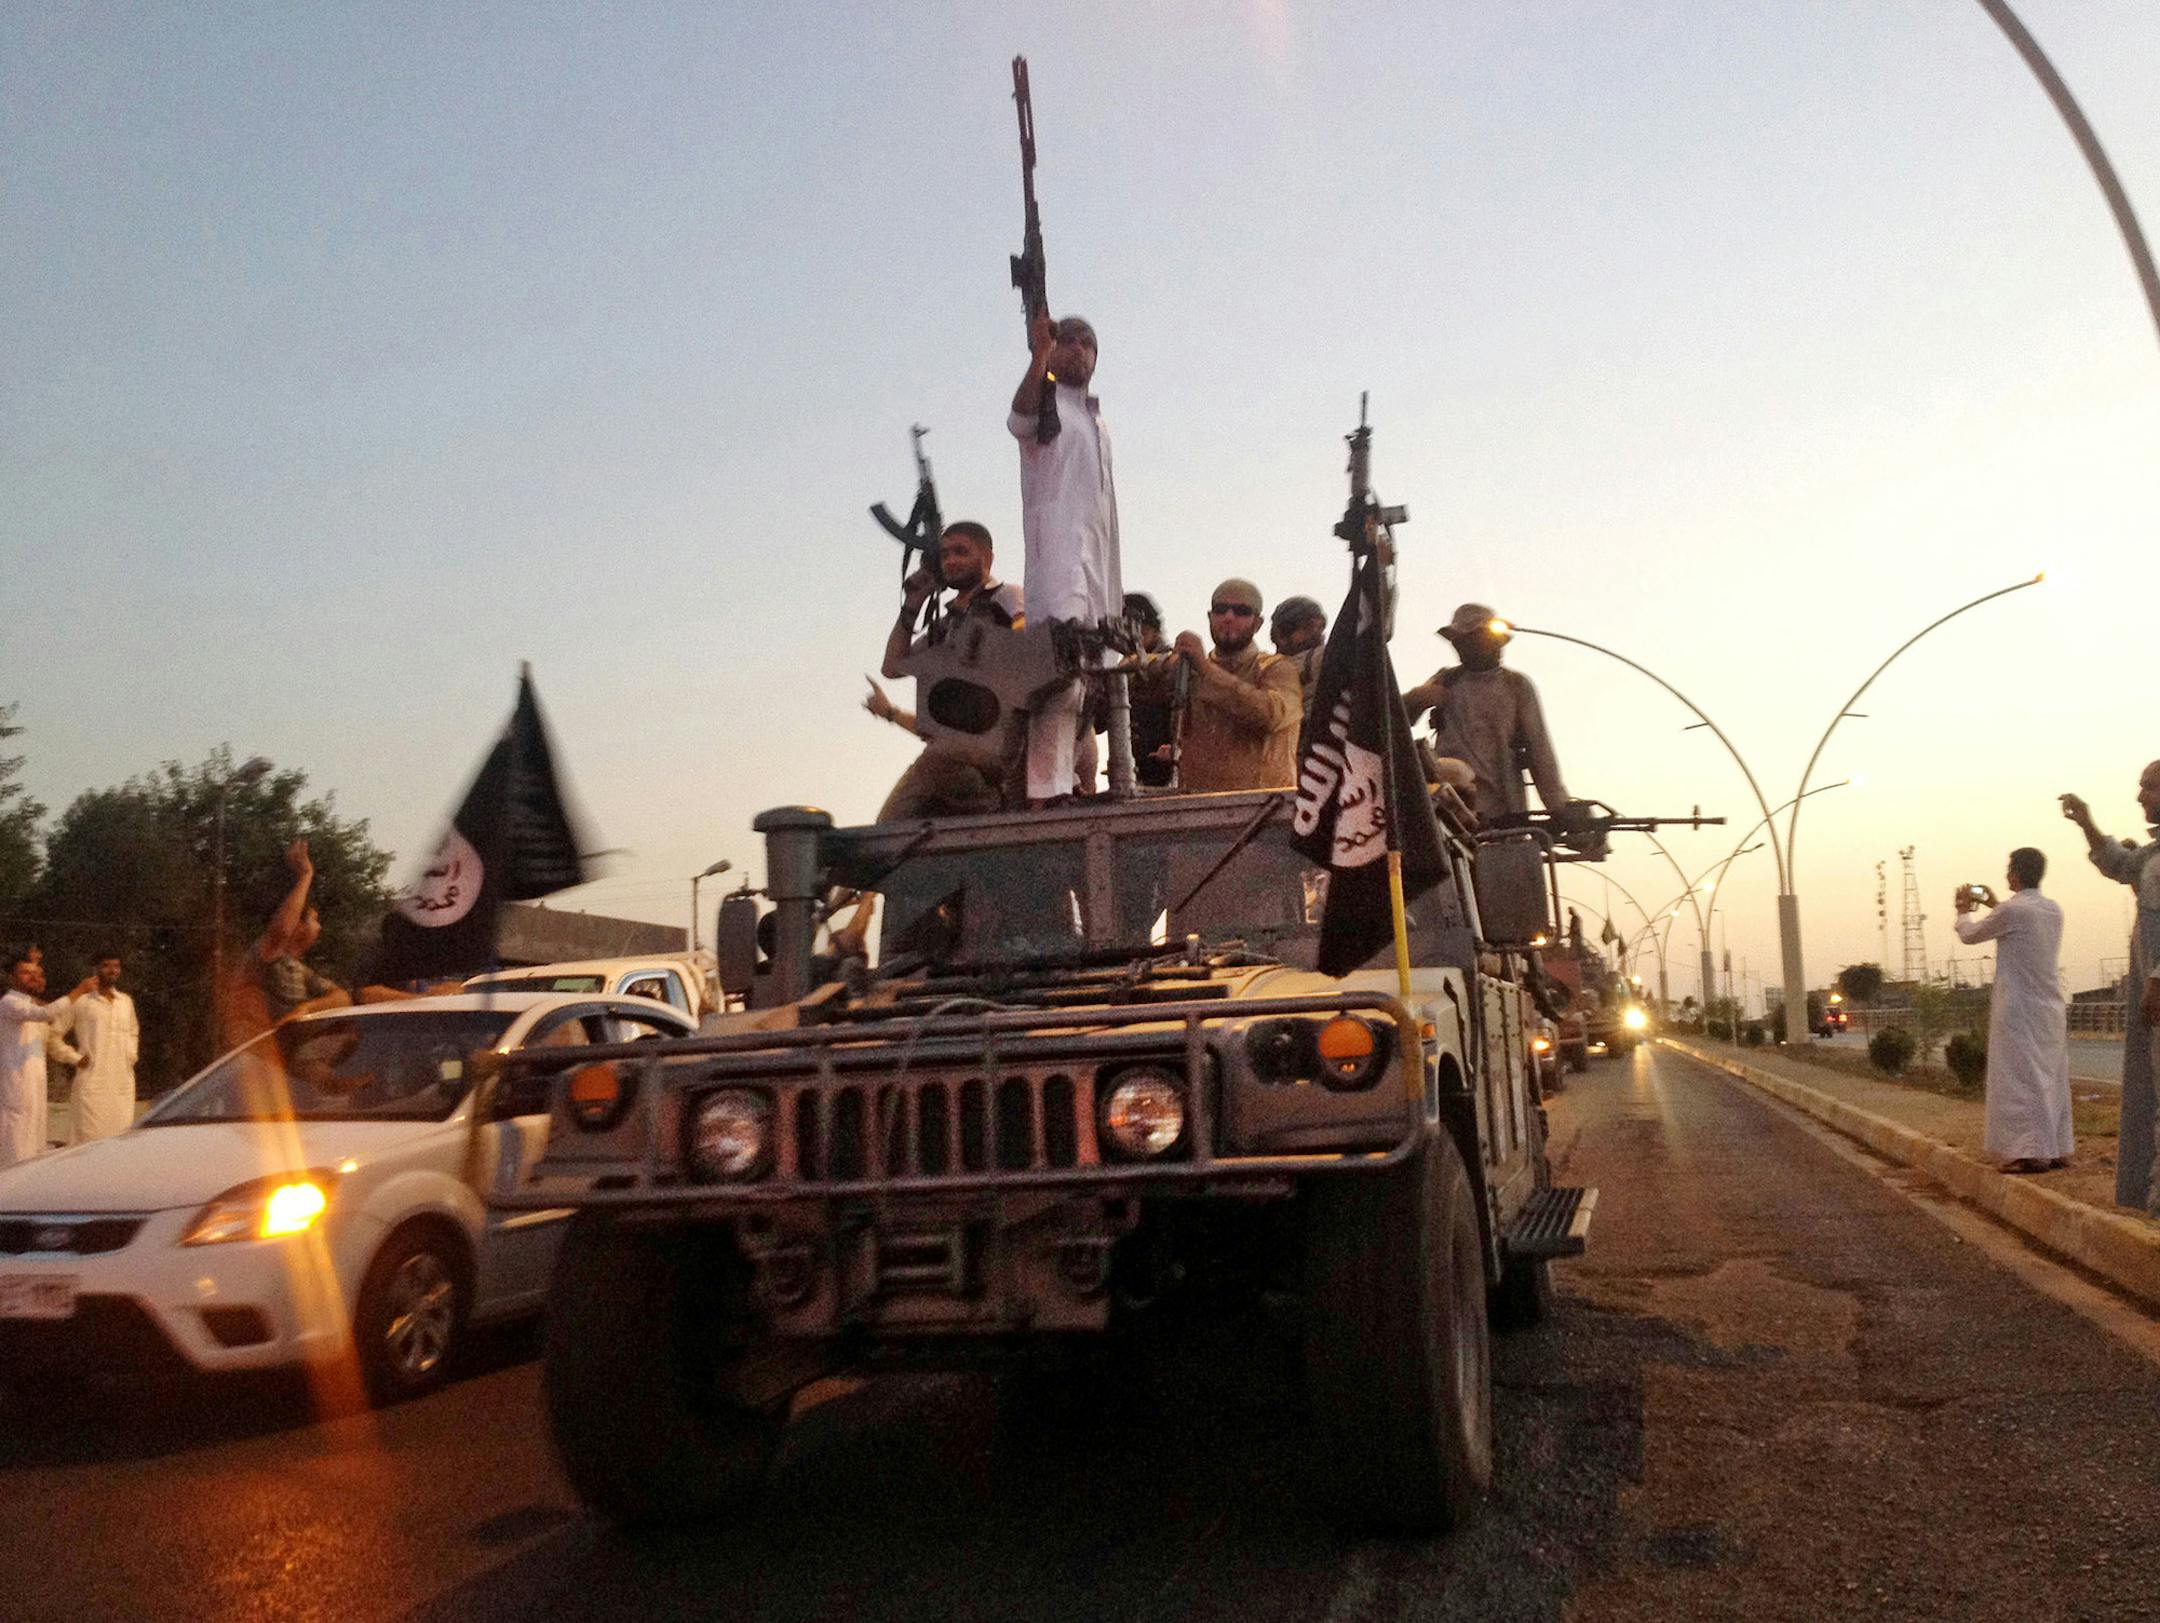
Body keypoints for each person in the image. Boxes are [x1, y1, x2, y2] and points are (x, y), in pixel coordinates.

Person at [1009, 310, 1122, 803]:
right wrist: (1038, 358)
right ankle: (1046, 790)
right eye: (1068, 340)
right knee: (1059, 677)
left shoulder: (1095, 418)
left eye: (1087, 342)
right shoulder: (1046, 404)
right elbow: (1019, 417)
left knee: (1095, 679)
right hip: (1058, 560)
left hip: (1099, 563)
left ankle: (1077, 782)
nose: (1077, 348)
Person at [864, 520, 1026, 821]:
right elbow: (893, 667)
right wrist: (913, 605)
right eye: (945, 554)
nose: (951, 560)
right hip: (957, 756)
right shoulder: (945, 625)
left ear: (986, 558)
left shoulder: (1005, 597)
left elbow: (1025, 639)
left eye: (961, 552)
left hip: (996, 746)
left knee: (888, 827)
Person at [2062, 762, 2160, 1209]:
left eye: (2149, 788)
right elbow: (2117, 862)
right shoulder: (2151, 856)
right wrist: (2085, 822)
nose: (2140, 797)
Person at [1952, 849, 2072, 1173]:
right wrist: (1995, 904)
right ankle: (2056, 1147)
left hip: (2019, 1007)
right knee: (2051, 1078)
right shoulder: (2052, 909)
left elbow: (1970, 935)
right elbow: (2015, 921)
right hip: (2049, 1006)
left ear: (2015, 874)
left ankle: (2030, 1151)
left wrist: (1963, 911)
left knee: (2021, 1080)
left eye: (2008, 869)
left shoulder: (2013, 911)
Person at [1403, 604, 1570, 820]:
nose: (1463, 646)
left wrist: (1560, 808)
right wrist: (1417, 698)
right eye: (1460, 641)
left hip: (1503, 812)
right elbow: (1394, 721)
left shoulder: (1516, 686)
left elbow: (1539, 751)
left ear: (1494, 642)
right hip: (1451, 812)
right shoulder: (1446, 680)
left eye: (1474, 639)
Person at [1167, 578, 1302, 792]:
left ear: (1257, 623)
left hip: (1264, 813)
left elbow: (1269, 714)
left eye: (1241, 611)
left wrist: (1206, 670)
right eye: (1221, 609)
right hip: (1197, 810)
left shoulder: (1277, 669)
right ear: (1210, 617)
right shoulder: (1190, 668)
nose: (1229, 617)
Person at [0, 947, 94, 1167]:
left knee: (33, 1150)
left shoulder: (30, 1005)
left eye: (37, 974)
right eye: (25, 973)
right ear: (12, 978)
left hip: (35, 1088)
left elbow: (47, 1019)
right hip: (15, 1088)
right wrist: (79, 990)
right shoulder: (9, 1003)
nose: (32, 977)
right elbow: (46, 1013)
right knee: (15, 1149)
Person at [66, 949, 140, 1144]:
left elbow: (133, 1032)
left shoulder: (125, 1002)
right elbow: (54, 1035)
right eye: (106, 966)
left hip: (122, 1084)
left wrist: (130, 1056)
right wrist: (74, 1058)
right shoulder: (82, 1001)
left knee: (121, 1144)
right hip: (93, 1084)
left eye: (116, 966)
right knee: (90, 1145)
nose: (112, 970)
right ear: (96, 968)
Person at [1121, 592, 1177, 788]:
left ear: (1155, 631)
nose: (1133, 639)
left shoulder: (1171, 668)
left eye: (1140, 632)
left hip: (1170, 773)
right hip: (1135, 773)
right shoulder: (1121, 671)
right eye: (1126, 632)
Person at [1269, 596, 1328, 719]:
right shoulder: (1267, 671)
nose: (1318, 632)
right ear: (1281, 637)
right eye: (1308, 627)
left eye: (1321, 626)